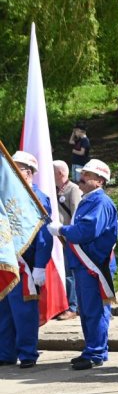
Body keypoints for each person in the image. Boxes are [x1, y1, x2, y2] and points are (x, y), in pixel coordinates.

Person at [47, 159, 118, 370]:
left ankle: (96, 352)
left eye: (87, 174)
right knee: (86, 310)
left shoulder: (100, 202)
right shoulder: (89, 200)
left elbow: (86, 231)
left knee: (94, 310)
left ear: (99, 180)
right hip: (83, 263)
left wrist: (62, 230)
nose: (82, 177)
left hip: (93, 264)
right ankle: (92, 349)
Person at [0, 152, 52, 368]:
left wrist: (40, 266)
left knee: (24, 313)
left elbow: (44, 237)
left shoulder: (38, 199)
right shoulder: (6, 196)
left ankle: (27, 353)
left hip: (26, 265)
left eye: (16, 168)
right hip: (7, 261)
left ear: (28, 172)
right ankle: (5, 353)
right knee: (5, 313)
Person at [54, 160, 82, 321]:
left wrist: (70, 236)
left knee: (70, 273)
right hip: (59, 238)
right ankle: (65, 304)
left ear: (60, 173)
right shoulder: (55, 190)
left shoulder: (73, 190)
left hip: (70, 239)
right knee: (64, 272)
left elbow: (77, 215)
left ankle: (74, 307)